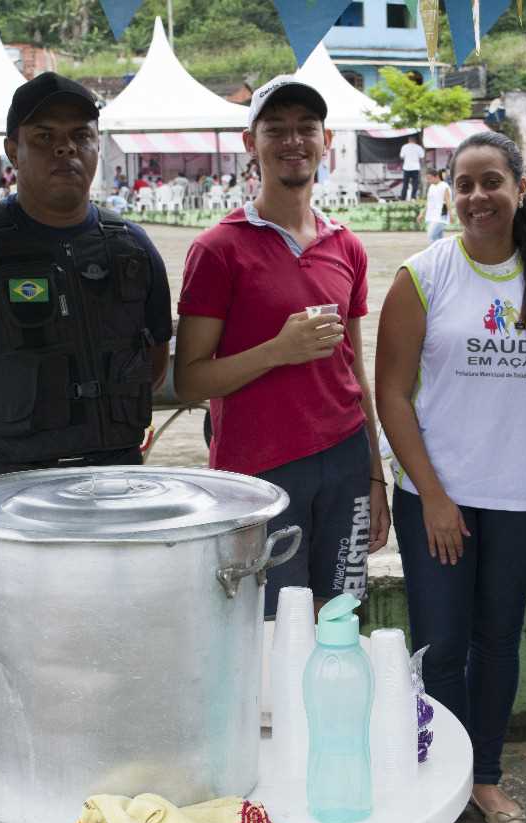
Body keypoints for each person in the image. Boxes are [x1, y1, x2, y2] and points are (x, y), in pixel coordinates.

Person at [0, 73, 172, 618]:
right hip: (3, 498)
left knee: (114, 632)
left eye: (81, 134)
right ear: (11, 150)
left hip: (109, 492)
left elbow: (153, 365)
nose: (65, 147)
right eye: (43, 135)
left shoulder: (132, 248)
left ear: (97, 146)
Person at [376, 131, 526, 823]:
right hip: (441, 498)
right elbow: (392, 395)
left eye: (491, 180)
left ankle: (484, 775)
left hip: (523, 498)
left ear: (521, 187)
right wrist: (432, 493)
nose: (476, 197)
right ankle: (441, 776)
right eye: (463, 184)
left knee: (498, 641)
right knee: (442, 643)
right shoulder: (421, 276)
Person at [174, 75, 389, 618]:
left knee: (340, 614)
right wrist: (277, 350)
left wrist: (374, 473)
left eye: (305, 128)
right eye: (276, 129)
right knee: (270, 622)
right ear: (252, 143)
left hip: (343, 459)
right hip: (258, 470)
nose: (293, 140)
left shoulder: (347, 245)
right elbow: (191, 378)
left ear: (326, 140)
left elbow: (354, 372)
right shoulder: (218, 249)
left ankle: (327, 705)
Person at [417, 167, 451, 242]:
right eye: (427, 178)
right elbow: (429, 202)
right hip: (431, 216)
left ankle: (436, 253)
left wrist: (450, 215)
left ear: (436, 176)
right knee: (439, 239)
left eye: (429, 178)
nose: (428, 181)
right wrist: (422, 214)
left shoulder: (444, 186)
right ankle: (442, 253)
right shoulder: (431, 187)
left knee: (431, 236)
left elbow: (447, 201)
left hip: (441, 216)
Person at [399, 134, 425, 201]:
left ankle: (403, 198)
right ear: (415, 141)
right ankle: (413, 197)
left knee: (405, 184)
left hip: (406, 167)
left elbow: (401, 156)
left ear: (409, 140)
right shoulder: (419, 147)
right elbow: (422, 156)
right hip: (415, 167)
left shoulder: (404, 147)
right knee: (415, 184)